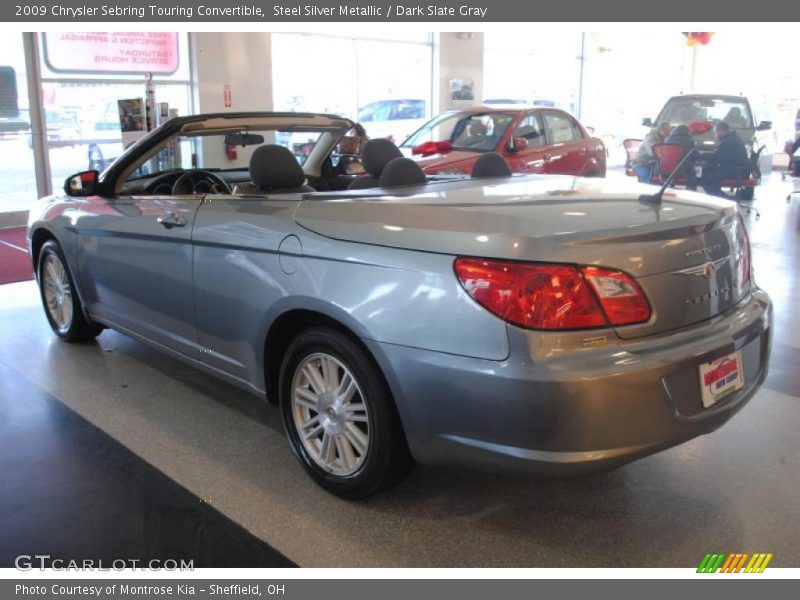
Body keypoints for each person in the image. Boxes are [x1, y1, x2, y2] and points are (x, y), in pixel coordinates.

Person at [697, 121, 751, 198]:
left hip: (735, 170)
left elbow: (717, 158)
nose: (716, 136)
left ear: (721, 131)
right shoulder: (732, 138)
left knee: (707, 180)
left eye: (716, 133)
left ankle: (724, 199)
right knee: (709, 173)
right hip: (738, 169)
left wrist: (702, 155)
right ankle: (723, 197)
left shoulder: (729, 141)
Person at [664, 124, 698, 189]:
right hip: (683, 170)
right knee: (692, 172)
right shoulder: (690, 140)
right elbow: (696, 155)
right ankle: (692, 191)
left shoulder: (667, 139)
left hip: (666, 169)